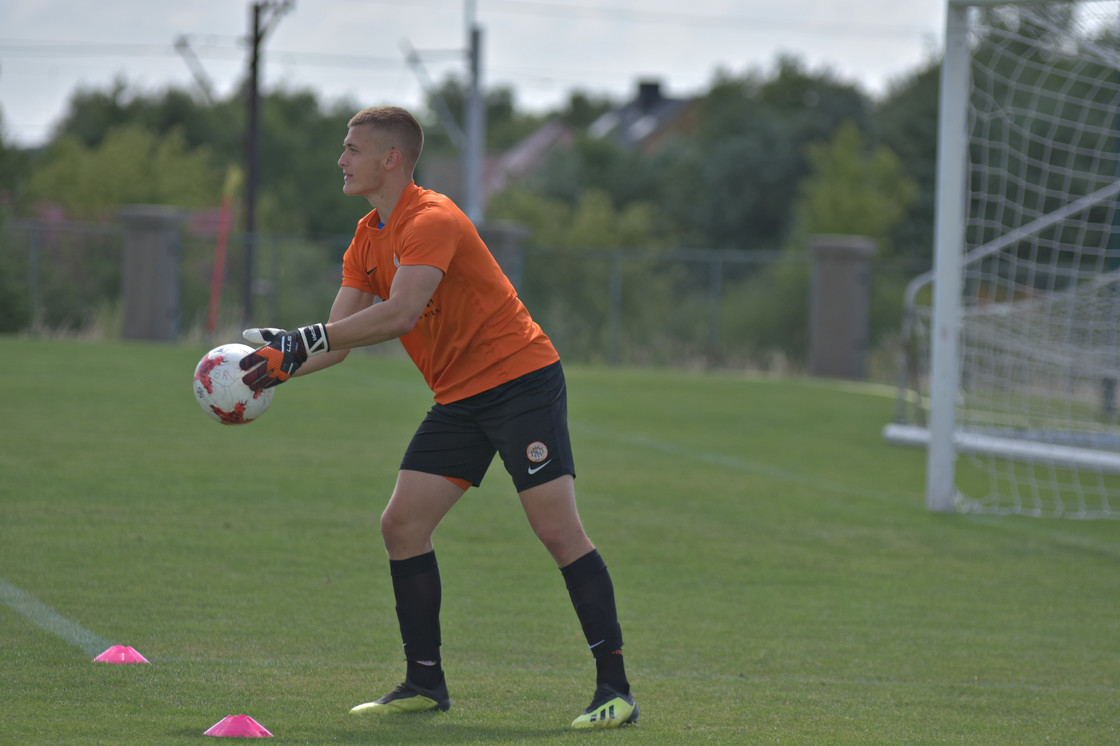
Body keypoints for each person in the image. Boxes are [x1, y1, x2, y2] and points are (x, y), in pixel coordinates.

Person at [238, 105, 637, 729]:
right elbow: (338, 343)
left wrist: (302, 340)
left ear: (389, 159)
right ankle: (425, 682)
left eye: (352, 148)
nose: (341, 159)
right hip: (459, 398)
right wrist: (278, 362)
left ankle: (615, 691)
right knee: (401, 525)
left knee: (557, 531)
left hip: (521, 382)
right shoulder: (367, 237)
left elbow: (398, 315)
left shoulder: (432, 219)